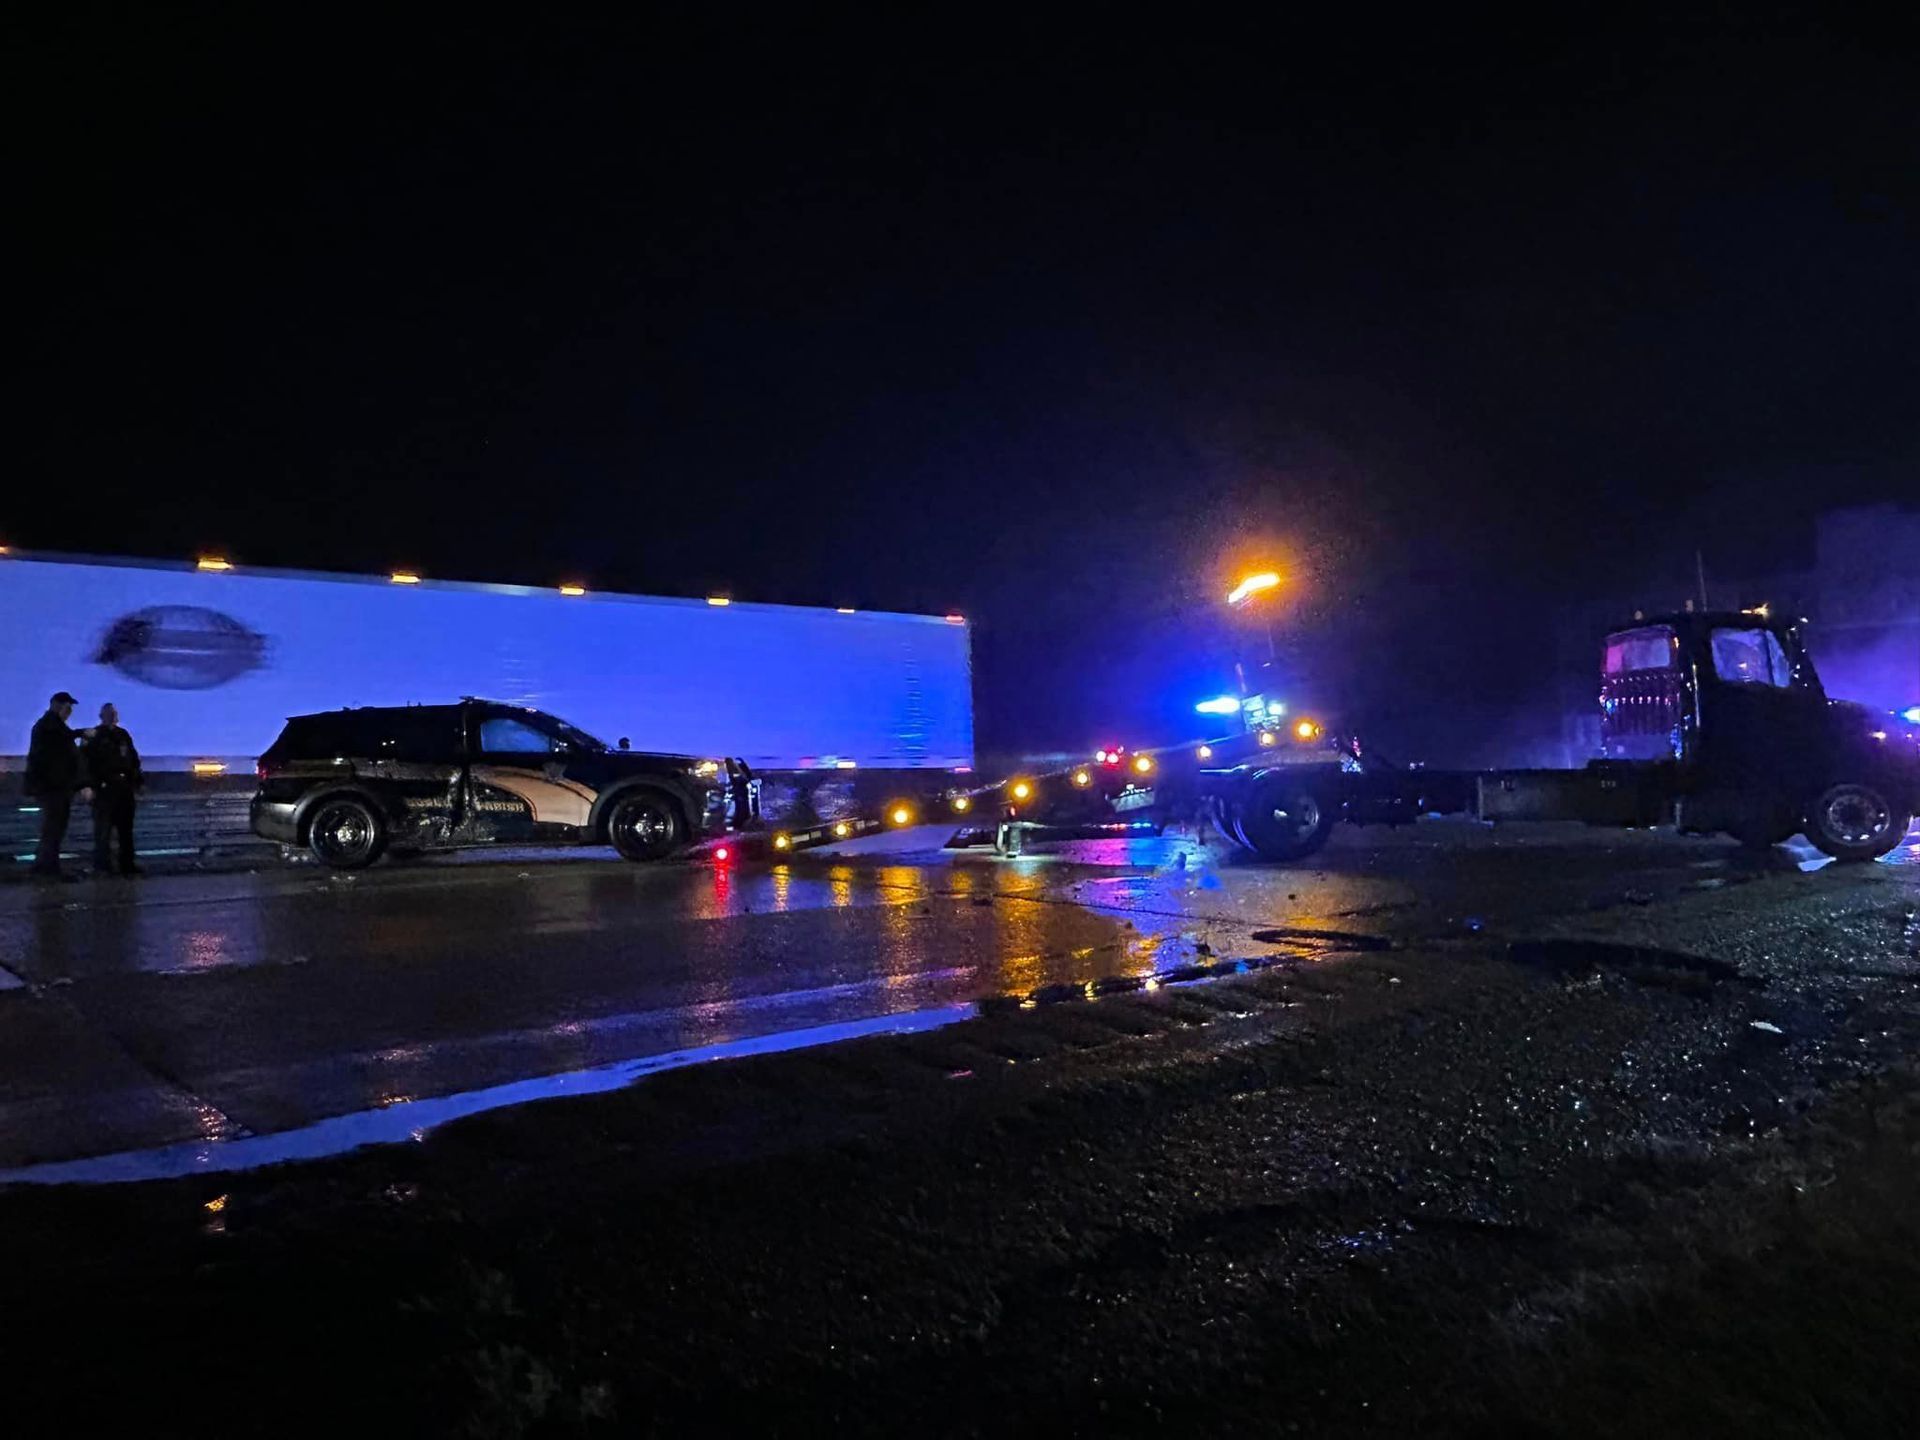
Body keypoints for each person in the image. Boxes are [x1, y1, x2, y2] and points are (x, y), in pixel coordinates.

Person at [24, 691, 90, 879]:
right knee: (54, 828)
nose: (68, 711)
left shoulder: (51, 726)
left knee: (53, 828)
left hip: (54, 786)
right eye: (66, 707)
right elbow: (62, 741)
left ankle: (44, 865)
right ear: (56, 705)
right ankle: (48, 868)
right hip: (53, 787)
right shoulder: (49, 725)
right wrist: (80, 733)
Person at [82, 702, 143, 875]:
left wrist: (137, 781)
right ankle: (103, 866)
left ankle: (127, 864)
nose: (112, 716)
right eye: (109, 714)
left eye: (113, 714)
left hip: (123, 789)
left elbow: (133, 760)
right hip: (104, 790)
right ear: (102, 716)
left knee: (125, 831)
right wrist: (88, 785)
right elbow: (85, 763)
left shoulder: (122, 735)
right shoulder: (94, 735)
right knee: (103, 831)